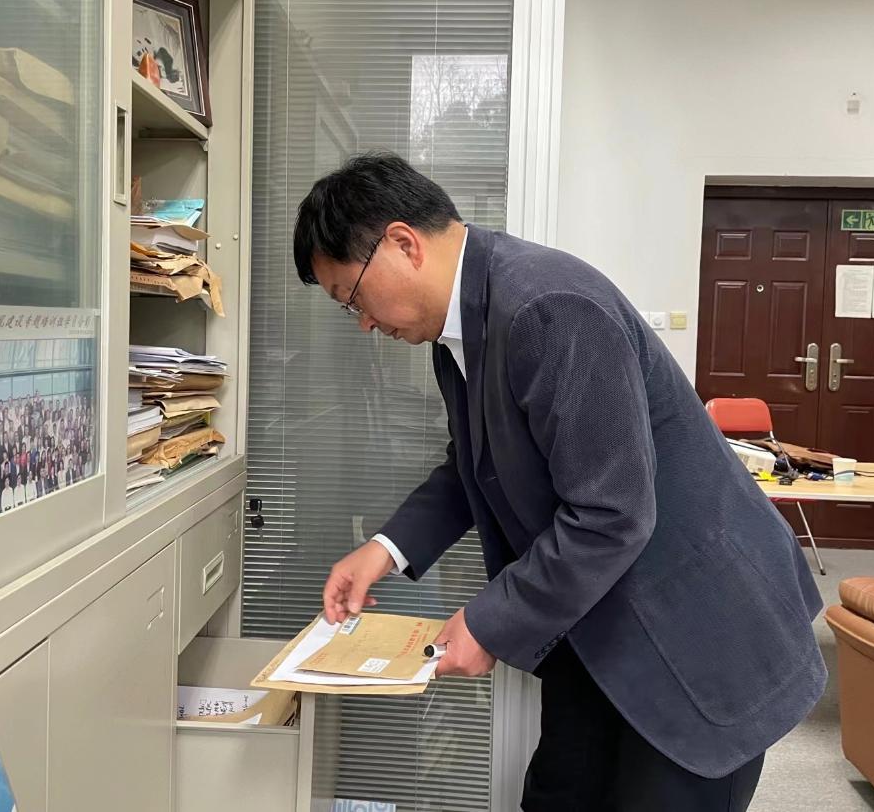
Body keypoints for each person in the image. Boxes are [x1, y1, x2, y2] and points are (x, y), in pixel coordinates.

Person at [295, 154, 827, 811]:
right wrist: (385, 549)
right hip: (601, 620)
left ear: (403, 244)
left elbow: (611, 513)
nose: (364, 323)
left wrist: (489, 622)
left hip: (693, 627)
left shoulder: (547, 307)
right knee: (558, 794)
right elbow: (473, 465)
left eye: (352, 297)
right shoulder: (460, 330)